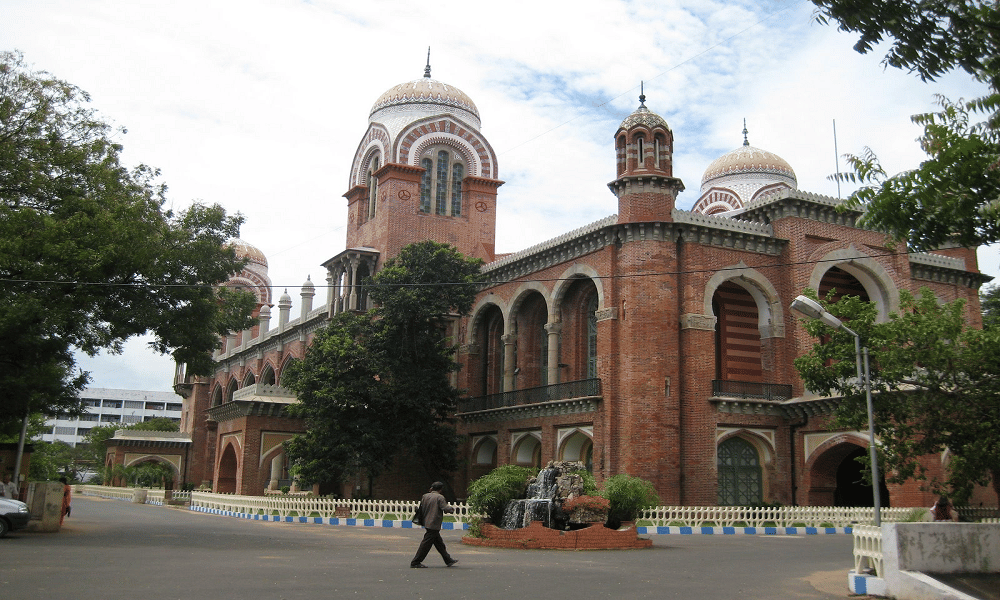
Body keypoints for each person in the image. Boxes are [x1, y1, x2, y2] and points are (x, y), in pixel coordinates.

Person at [410, 481, 459, 568]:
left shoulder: (425, 496)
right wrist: (452, 509)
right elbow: (445, 508)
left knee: (439, 543)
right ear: (440, 489)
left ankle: (448, 560)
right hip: (434, 523)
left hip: (426, 521)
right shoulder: (439, 497)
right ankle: (415, 562)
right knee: (426, 545)